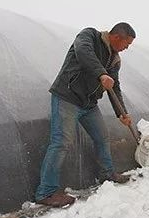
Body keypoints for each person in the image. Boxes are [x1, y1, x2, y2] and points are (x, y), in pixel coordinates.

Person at [35, 22, 136, 207]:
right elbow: (83, 53)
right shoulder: (89, 36)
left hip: (88, 104)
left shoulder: (115, 59)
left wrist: (122, 113)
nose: (126, 48)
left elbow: (115, 87)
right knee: (61, 142)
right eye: (126, 44)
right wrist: (101, 74)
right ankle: (46, 192)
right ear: (117, 37)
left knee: (102, 137)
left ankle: (107, 173)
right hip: (67, 98)